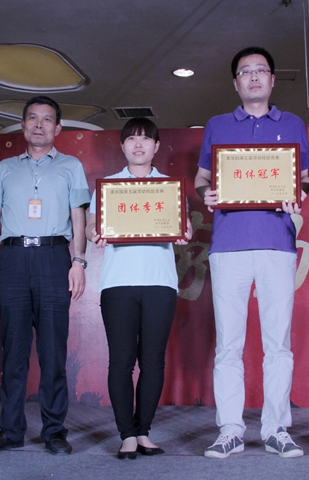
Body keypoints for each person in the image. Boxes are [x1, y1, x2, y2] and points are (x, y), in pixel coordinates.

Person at [194, 47, 309, 459]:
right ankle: (230, 429)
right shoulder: (218, 125)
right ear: (236, 82)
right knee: (229, 344)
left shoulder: (292, 124)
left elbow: (305, 178)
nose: (254, 77)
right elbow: (202, 177)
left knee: (278, 344)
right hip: (228, 246)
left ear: (273, 80)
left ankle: (276, 428)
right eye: (246, 71)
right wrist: (206, 193)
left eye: (261, 70)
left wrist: (298, 193)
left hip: (278, 243)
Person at [0, 96, 90, 455]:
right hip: (12, 259)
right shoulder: (5, 168)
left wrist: (79, 261)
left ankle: (54, 431)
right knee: (13, 351)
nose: (39, 125)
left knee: (53, 352)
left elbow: (79, 218)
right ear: (23, 125)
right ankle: (10, 430)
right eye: (33, 118)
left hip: (54, 258)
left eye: (47, 119)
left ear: (58, 128)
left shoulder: (71, 166)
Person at [86, 117, 192, 459]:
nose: (138, 144)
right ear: (122, 146)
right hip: (118, 283)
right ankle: (126, 435)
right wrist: (94, 232)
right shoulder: (108, 187)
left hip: (160, 282)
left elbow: (183, 226)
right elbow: (91, 225)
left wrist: (185, 231)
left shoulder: (169, 187)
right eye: (131, 138)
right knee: (121, 361)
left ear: (156, 146)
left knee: (153, 361)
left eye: (146, 139)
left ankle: (143, 430)